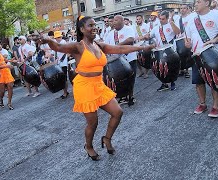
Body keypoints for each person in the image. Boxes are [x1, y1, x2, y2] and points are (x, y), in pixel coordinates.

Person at [40, 16, 154, 161]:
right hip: (84, 86)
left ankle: (107, 138)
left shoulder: (99, 45)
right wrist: (48, 40)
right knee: (93, 122)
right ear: (82, 29)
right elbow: (58, 47)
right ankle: (88, 146)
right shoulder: (78, 46)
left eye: (95, 25)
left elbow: (120, 49)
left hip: (99, 84)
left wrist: (142, 47)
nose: (94, 27)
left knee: (117, 112)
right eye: (90, 25)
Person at [184, 0, 218, 118]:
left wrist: (214, 40)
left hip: (213, 54)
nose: (195, 4)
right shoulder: (192, 19)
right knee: (198, 81)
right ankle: (202, 104)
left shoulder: (216, 15)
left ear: (207, 3)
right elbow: (187, 36)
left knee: (214, 82)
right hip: (197, 54)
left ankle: (215, 107)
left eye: (198, 2)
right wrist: (187, 42)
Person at [105, 15, 138, 106]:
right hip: (117, 61)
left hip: (129, 58)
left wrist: (117, 46)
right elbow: (105, 45)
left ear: (122, 21)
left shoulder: (128, 29)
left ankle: (131, 96)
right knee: (120, 79)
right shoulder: (111, 33)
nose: (113, 22)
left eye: (116, 20)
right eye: (113, 21)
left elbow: (131, 40)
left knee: (130, 78)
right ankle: (123, 96)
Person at [144, 10, 181, 91]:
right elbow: (149, 35)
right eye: (160, 18)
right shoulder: (156, 28)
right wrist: (146, 36)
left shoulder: (171, 25)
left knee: (171, 67)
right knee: (161, 68)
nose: (161, 20)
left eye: (163, 19)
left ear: (167, 18)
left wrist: (171, 23)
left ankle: (172, 83)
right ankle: (164, 83)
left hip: (170, 50)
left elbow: (178, 32)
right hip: (160, 51)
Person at [177, 4, 195, 78]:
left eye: (184, 8)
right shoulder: (177, 18)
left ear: (188, 9)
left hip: (188, 38)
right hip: (180, 38)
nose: (182, 10)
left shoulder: (191, 17)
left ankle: (187, 71)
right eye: (181, 8)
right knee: (180, 55)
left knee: (187, 55)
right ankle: (181, 69)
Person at [53, 31, 69, 99]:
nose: (58, 38)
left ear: (61, 37)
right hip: (59, 64)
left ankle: (65, 92)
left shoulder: (63, 42)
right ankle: (65, 92)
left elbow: (65, 52)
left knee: (63, 78)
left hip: (63, 63)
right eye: (56, 37)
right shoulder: (55, 44)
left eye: (59, 37)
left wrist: (58, 59)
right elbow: (54, 53)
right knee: (61, 78)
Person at [134, 15, 151, 79]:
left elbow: (149, 33)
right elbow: (134, 36)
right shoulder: (135, 27)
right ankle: (141, 71)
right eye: (137, 19)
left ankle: (146, 73)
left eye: (139, 19)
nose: (138, 20)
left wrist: (143, 37)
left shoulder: (146, 25)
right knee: (137, 58)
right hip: (138, 44)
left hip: (145, 43)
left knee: (145, 57)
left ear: (142, 19)